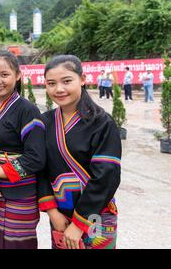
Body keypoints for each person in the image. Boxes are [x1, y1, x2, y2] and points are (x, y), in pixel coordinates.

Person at [38, 55, 121, 249]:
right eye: (51, 83)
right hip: (60, 216)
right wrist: (52, 212)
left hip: (95, 214)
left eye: (67, 81)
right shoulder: (44, 122)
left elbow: (107, 176)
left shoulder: (102, 123)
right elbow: (40, 169)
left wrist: (79, 223)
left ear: (82, 80)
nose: (59, 89)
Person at [0, 50, 46, 249]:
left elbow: (36, 158)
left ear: (18, 75)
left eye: (4, 75)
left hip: (19, 196)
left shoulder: (27, 110)